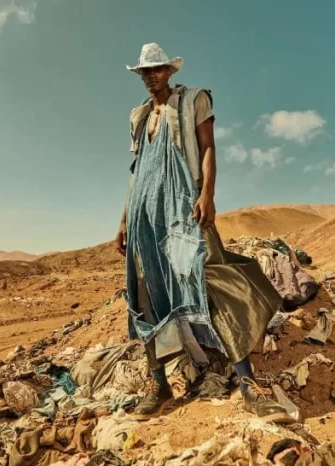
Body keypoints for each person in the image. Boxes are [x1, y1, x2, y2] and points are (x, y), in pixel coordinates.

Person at [114, 43, 297, 423]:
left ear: (170, 71)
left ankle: (248, 383)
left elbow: (208, 147)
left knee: (206, 278)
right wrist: (124, 220)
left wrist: (207, 194)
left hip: (183, 204)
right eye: (145, 71)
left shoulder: (194, 99)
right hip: (144, 214)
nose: (151, 76)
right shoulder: (139, 116)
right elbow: (136, 172)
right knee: (146, 291)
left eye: (157, 69)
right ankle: (158, 384)